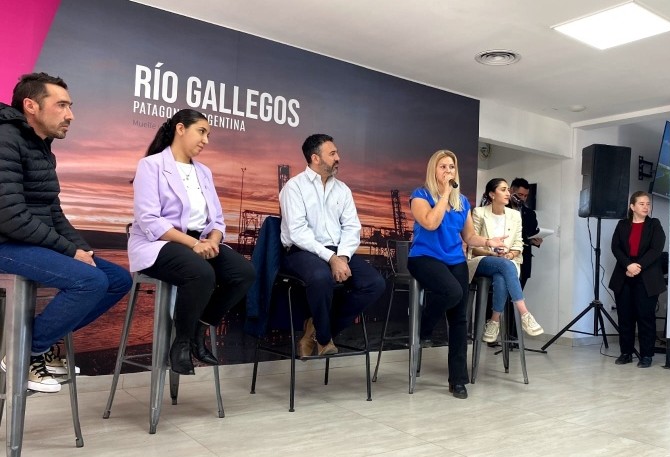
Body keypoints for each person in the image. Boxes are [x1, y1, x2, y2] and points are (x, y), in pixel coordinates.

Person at [0, 72, 132, 392]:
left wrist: (81, 249)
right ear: (31, 106)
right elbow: (9, 217)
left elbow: (54, 212)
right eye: (61, 105)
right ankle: (26, 351)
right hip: (6, 241)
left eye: (70, 106)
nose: (70, 115)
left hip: (27, 242)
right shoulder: (6, 138)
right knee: (89, 281)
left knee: (117, 280)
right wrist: (69, 252)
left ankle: (42, 344)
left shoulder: (43, 147)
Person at [128, 109, 255, 375]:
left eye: (208, 134)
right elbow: (149, 219)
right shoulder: (151, 166)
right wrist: (193, 244)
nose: (206, 140)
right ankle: (182, 343)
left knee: (243, 273)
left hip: (199, 243)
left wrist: (214, 240)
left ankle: (199, 328)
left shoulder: (204, 172)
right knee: (201, 273)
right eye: (202, 132)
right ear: (181, 129)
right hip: (159, 243)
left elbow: (217, 220)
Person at [407, 150, 507, 399]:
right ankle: (424, 328)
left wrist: (488, 240)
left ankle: (458, 380)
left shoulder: (462, 202)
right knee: (453, 291)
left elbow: (469, 237)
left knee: (460, 317)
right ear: (434, 170)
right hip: (423, 258)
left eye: (451, 166)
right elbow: (430, 223)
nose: (448, 171)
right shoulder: (420, 196)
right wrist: (443, 195)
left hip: (454, 259)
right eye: (442, 167)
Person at [279, 134, 385, 358]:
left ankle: (317, 329)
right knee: (320, 277)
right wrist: (331, 258)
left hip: (339, 251)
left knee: (374, 283)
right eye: (333, 153)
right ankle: (325, 340)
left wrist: (343, 257)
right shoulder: (294, 188)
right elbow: (298, 233)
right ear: (315, 158)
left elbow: (352, 227)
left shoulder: (343, 190)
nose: (339, 157)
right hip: (302, 251)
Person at [468, 178, 544, 343]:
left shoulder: (515, 215)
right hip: (482, 260)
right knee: (504, 266)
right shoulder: (479, 213)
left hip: (507, 262)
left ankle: (494, 321)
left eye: (507, 190)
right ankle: (525, 313)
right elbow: (472, 246)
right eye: (503, 190)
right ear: (491, 194)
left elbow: (518, 245)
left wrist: (508, 255)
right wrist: (493, 253)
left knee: (502, 272)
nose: (508, 193)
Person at [609, 191, 666, 368]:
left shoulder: (654, 225)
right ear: (632, 207)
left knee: (645, 317)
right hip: (624, 276)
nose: (646, 207)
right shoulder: (622, 225)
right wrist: (628, 266)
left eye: (648, 204)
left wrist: (637, 266)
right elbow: (615, 247)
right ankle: (625, 353)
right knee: (625, 317)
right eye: (641, 204)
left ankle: (646, 355)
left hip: (647, 278)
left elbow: (656, 250)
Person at [508, 178, 542, 291]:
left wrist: (535, 240)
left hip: (525, 259)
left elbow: (531, 233)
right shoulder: (501, 209)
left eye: (526, 196)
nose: (523, 198)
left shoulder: (530, 214)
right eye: (520, 194)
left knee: (517, 294)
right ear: (511, 191)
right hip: (506, 257)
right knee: (499, 296)